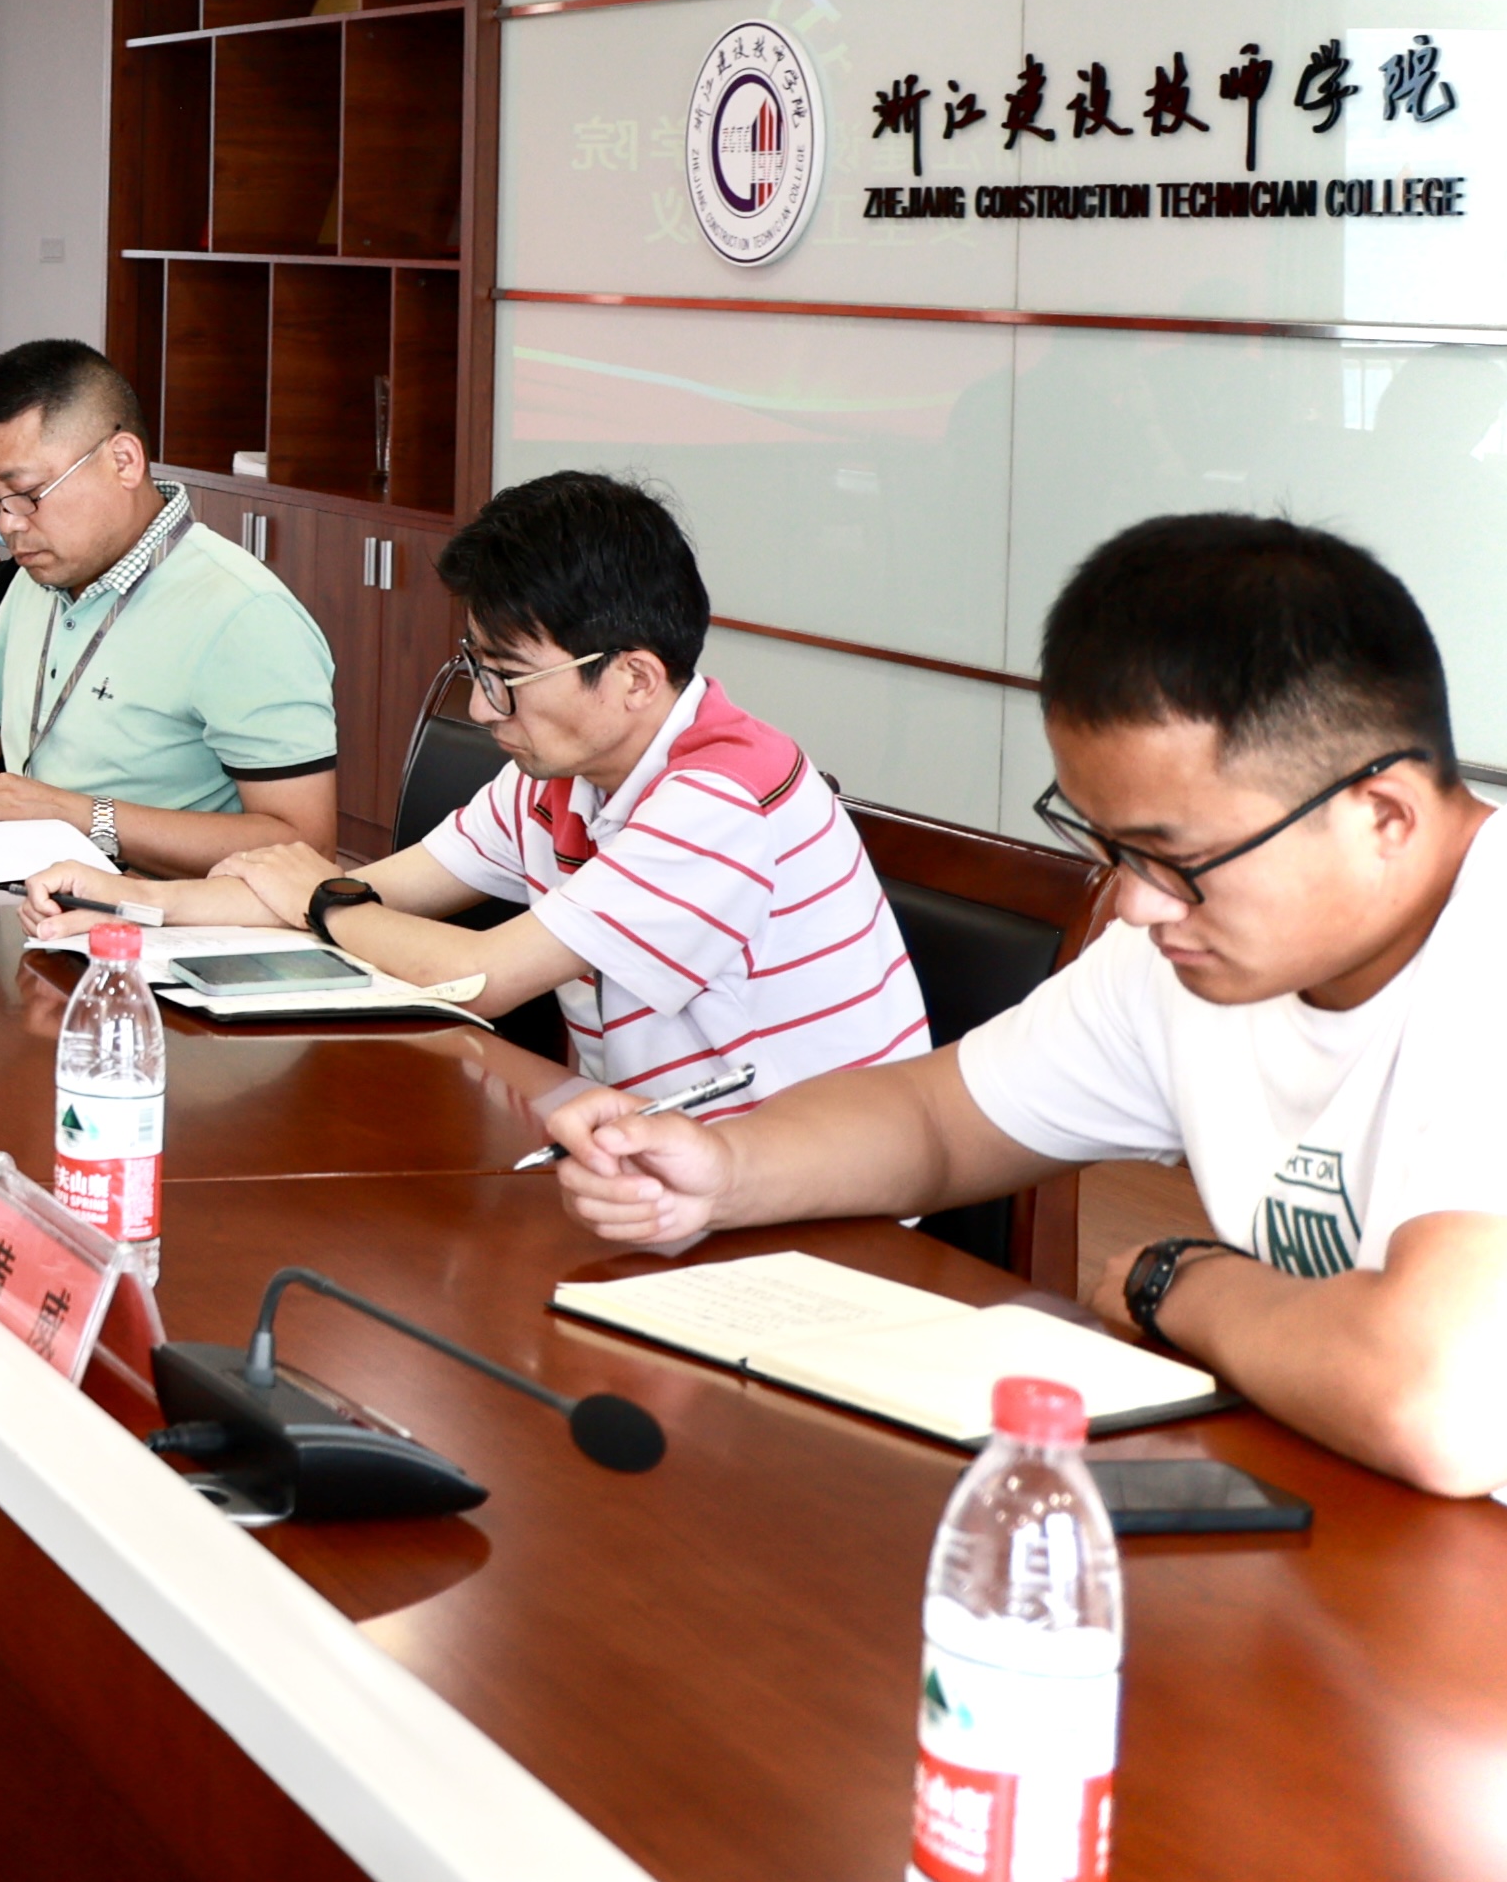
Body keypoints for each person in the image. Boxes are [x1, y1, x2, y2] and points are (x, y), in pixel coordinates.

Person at [549, 514, 1507, 1496]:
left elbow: (1439, 1400)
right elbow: (939, 1118)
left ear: (1382, 814)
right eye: (1109, 848)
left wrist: (1178, 1280)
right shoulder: (1181, 947)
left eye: (1175, 857)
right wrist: (721, 1169)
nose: (1132, 904)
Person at [26, 470, 926, 1104]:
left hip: (800, 1198)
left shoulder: (722, 799)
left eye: (506, 677)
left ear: (634, 677)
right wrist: (133, 901)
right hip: (648, 1150)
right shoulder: (559, 775)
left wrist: (322, 900)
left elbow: (477, 976)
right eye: (475, 666)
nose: (481, 706)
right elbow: (379, 890)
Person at [0, 340, 336, 863]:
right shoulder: (40, 577)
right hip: (31, 889)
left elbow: (304, 846)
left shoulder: (243, 613)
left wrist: (80, 817)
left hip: (156, 915)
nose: (9, 525)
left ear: (124, 461)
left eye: (27, 494)